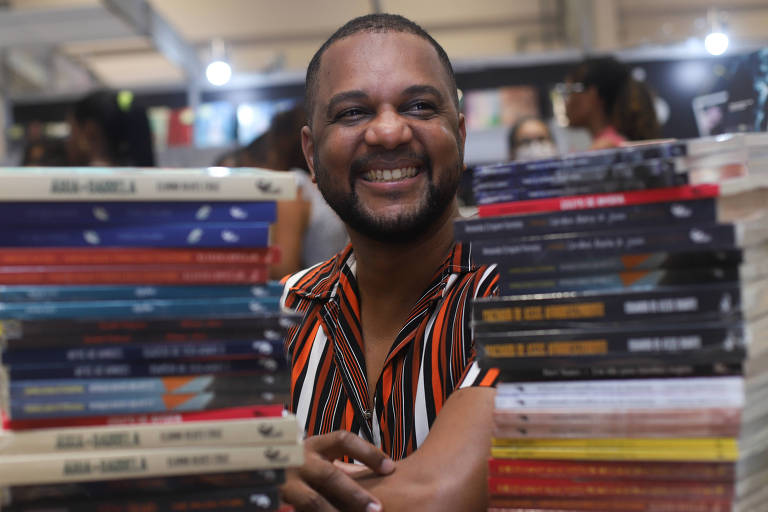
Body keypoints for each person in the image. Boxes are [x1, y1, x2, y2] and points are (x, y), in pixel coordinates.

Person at [279, 13, 499, 512]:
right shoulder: (279, 314)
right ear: (311, 156)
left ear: (460, 134)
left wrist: (265, 487)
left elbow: (437, 496)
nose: (388, 131)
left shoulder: (531, 289)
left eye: (419, 106)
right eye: (353, 113)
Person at [564, 57, 660, 150]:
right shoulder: (611, 143)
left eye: (570, 92)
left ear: (592, 94)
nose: (566, 102)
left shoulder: (604, 148)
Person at [67, 89, 155, 167]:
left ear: (90, 131)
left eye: (71, 133)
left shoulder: (81, 181)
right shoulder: (136, 175)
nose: (68, 142)